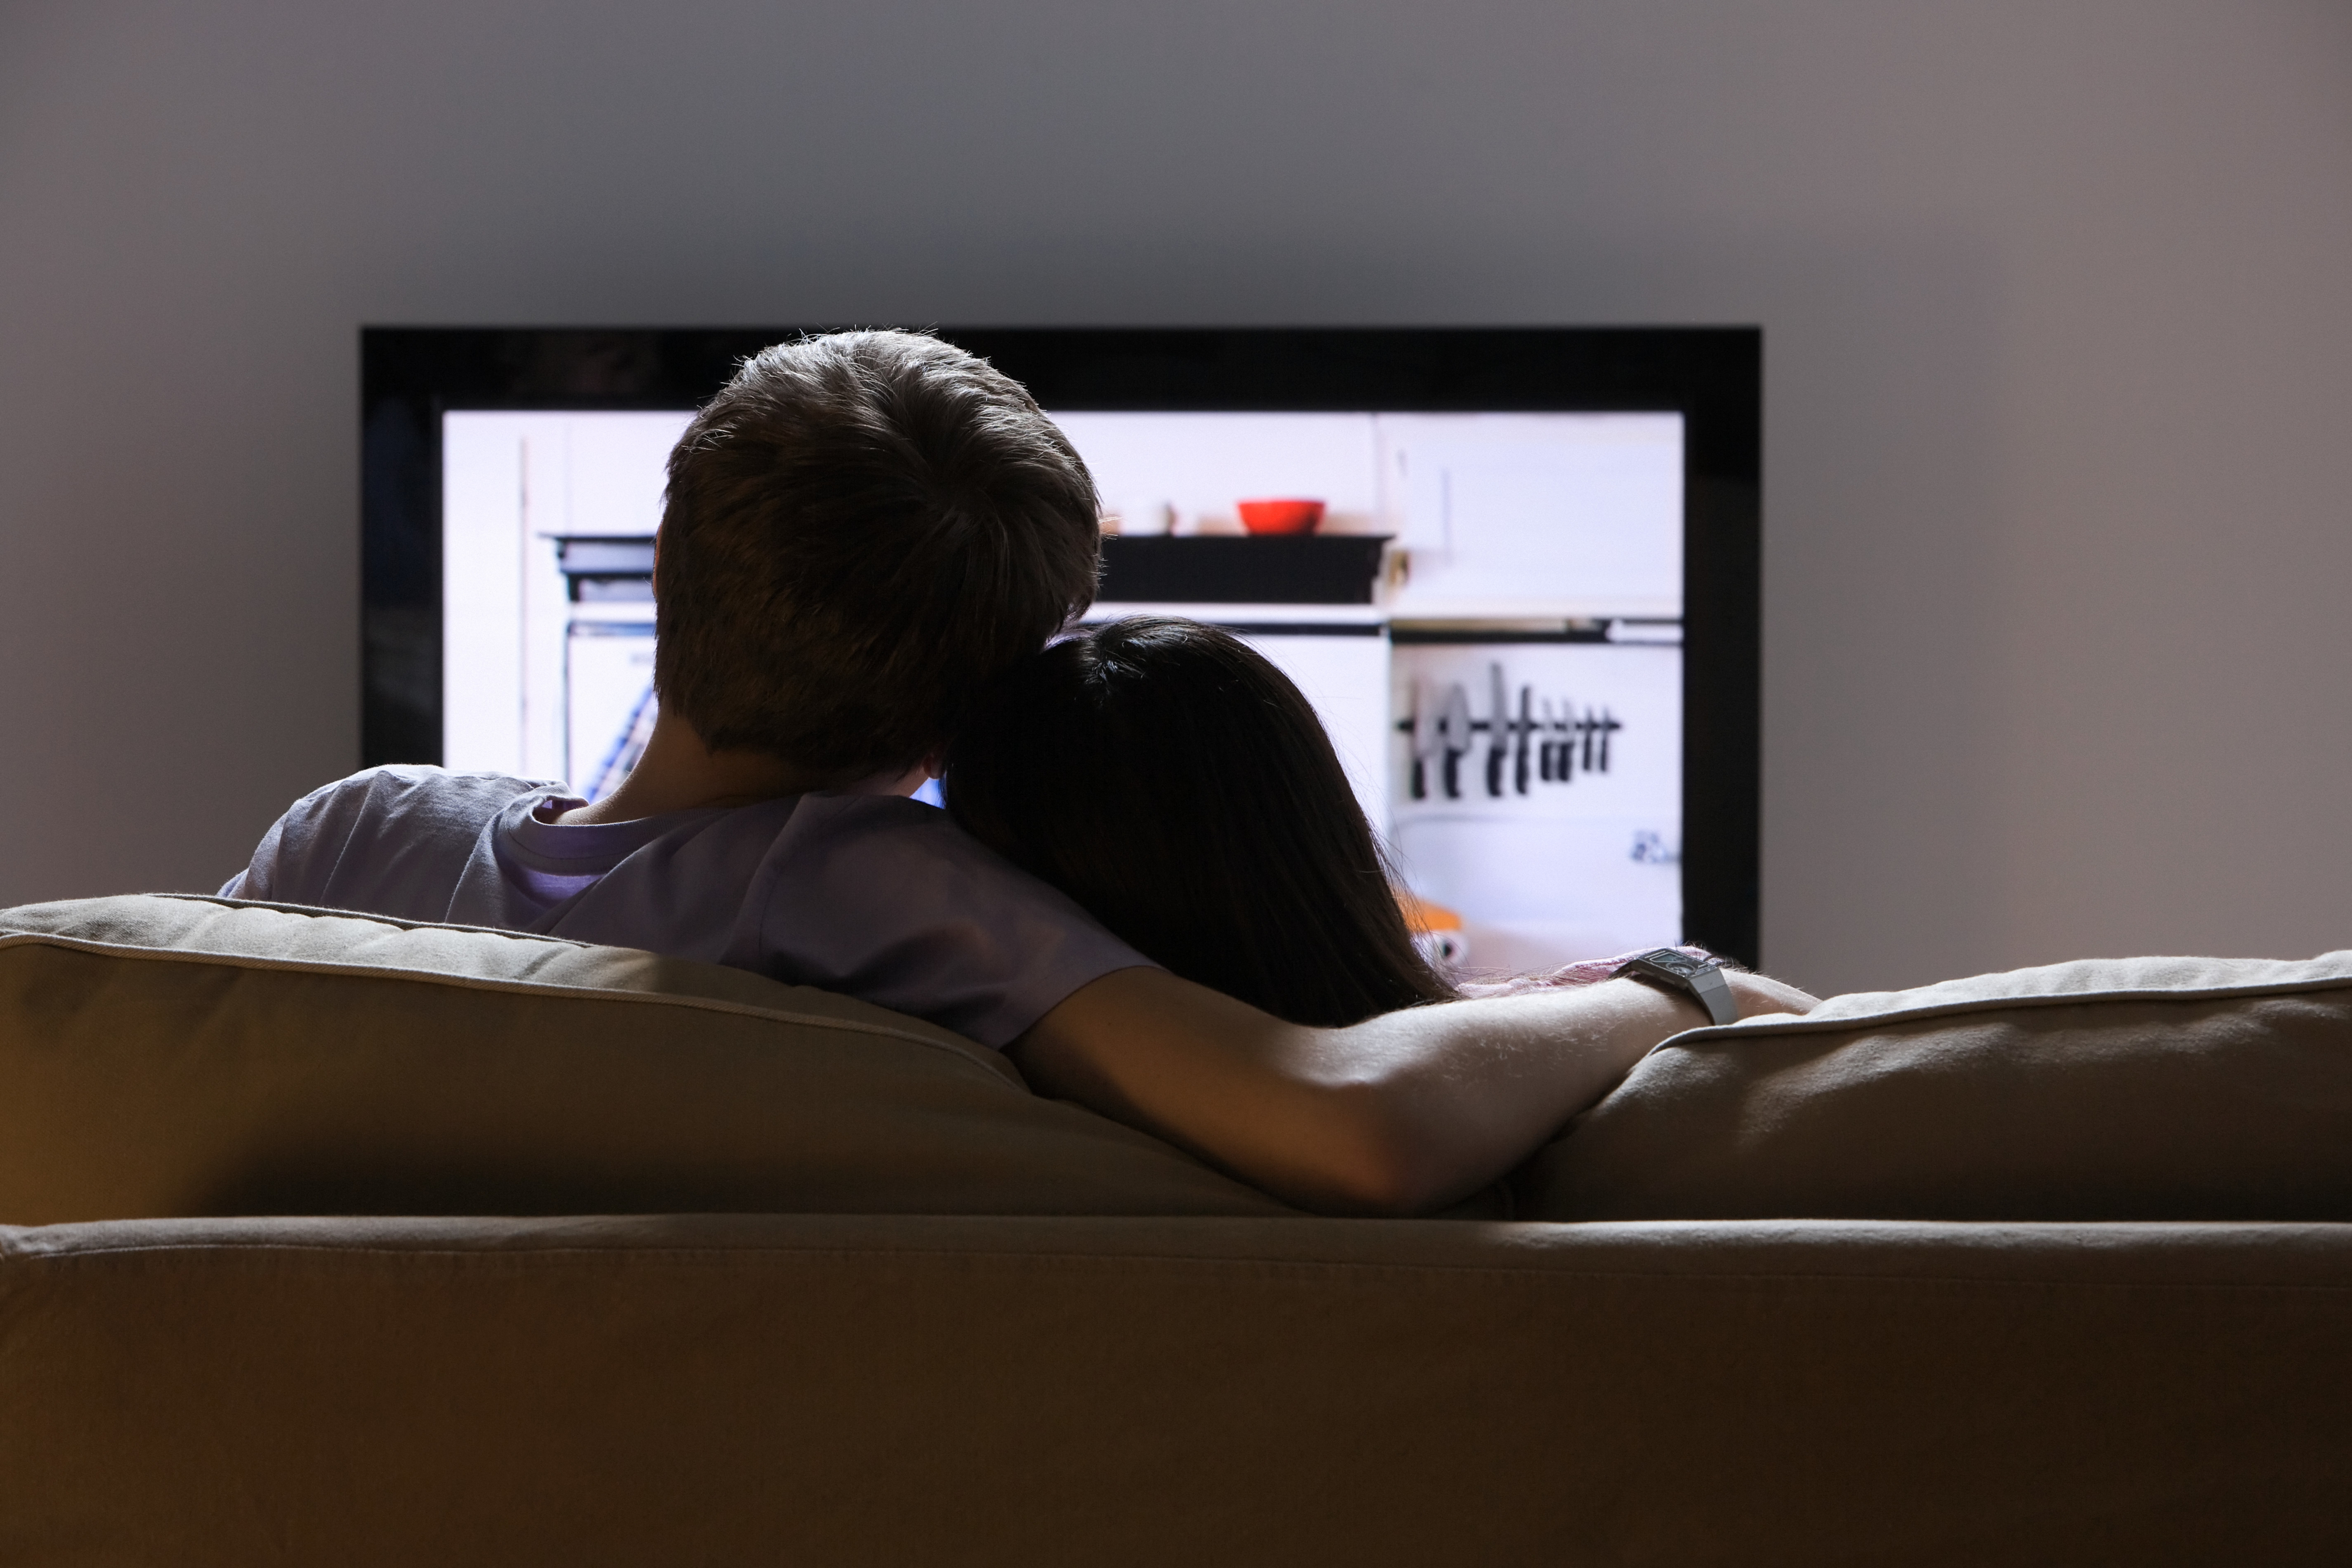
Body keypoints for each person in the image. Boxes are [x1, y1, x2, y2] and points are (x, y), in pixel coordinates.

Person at [227, 331, 1814, 1217]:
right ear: (963, 722)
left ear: (670, 557)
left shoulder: (349, 832)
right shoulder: (861, 882)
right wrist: (1667, 986)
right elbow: (1354, 1126)